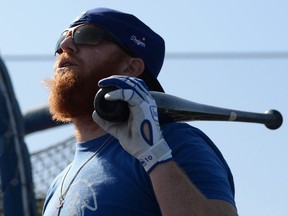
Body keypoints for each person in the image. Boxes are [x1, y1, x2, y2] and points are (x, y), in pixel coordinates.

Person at [42, 7, 238, 216]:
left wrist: (155, 156)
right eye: (62, 39)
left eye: (87, 35)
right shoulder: (57, 184)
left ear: (131, 68)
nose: (65, 46)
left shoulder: (174, 142)